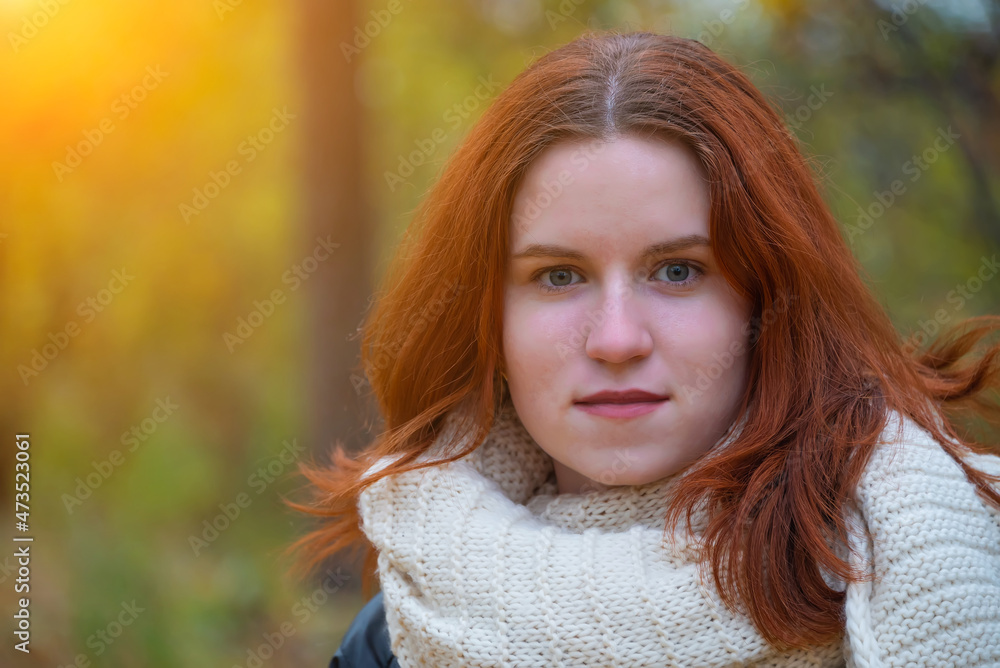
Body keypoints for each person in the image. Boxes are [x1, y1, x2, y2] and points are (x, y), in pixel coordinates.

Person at [289, 29, 1000, 667]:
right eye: (558, 276)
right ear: (487, 316)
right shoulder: (400, 636)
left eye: (678, 271)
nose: (618, 339)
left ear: (770, 297)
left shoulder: (939, 558)